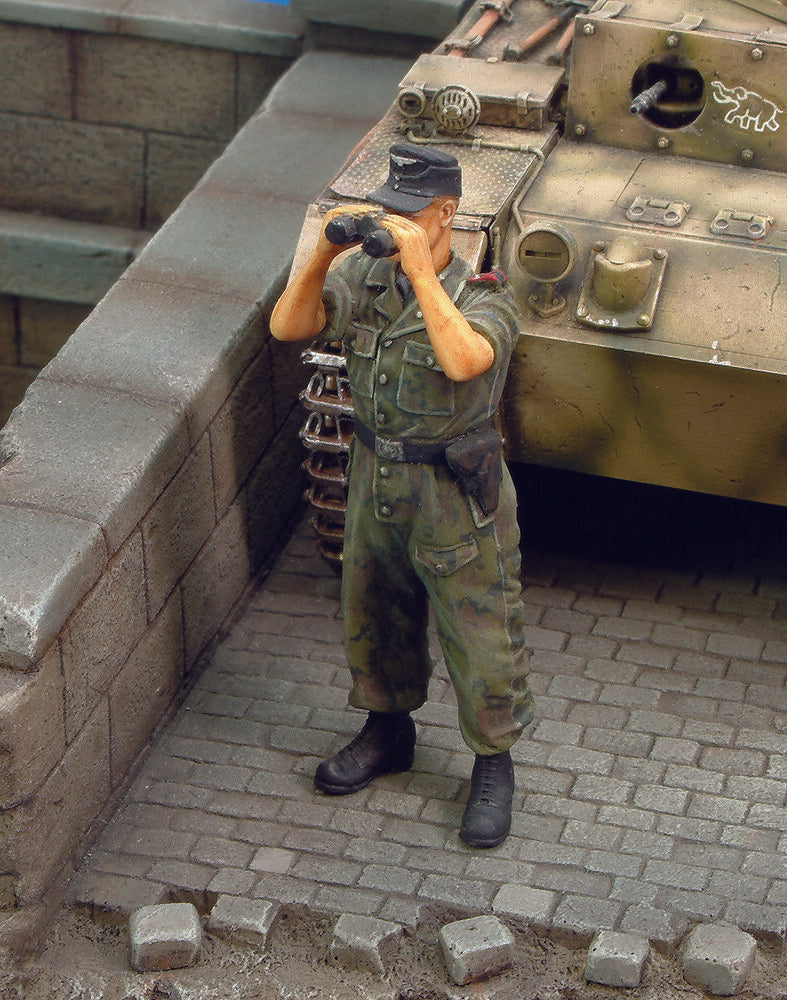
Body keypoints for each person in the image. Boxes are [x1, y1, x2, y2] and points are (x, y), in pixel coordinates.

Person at [270, 143, 534, 848]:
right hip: (376, 474)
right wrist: (323, 255)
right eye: (388, 213)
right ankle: (387, 731)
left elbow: (464, 359)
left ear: (445, 215)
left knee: (478, 626)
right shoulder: (366, 275)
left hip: (453, 485)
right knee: (373, 607)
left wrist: (423, 273)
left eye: (410, 216)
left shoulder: (484, 294)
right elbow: (288, 327)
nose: (395, 226)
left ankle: (492, 763)